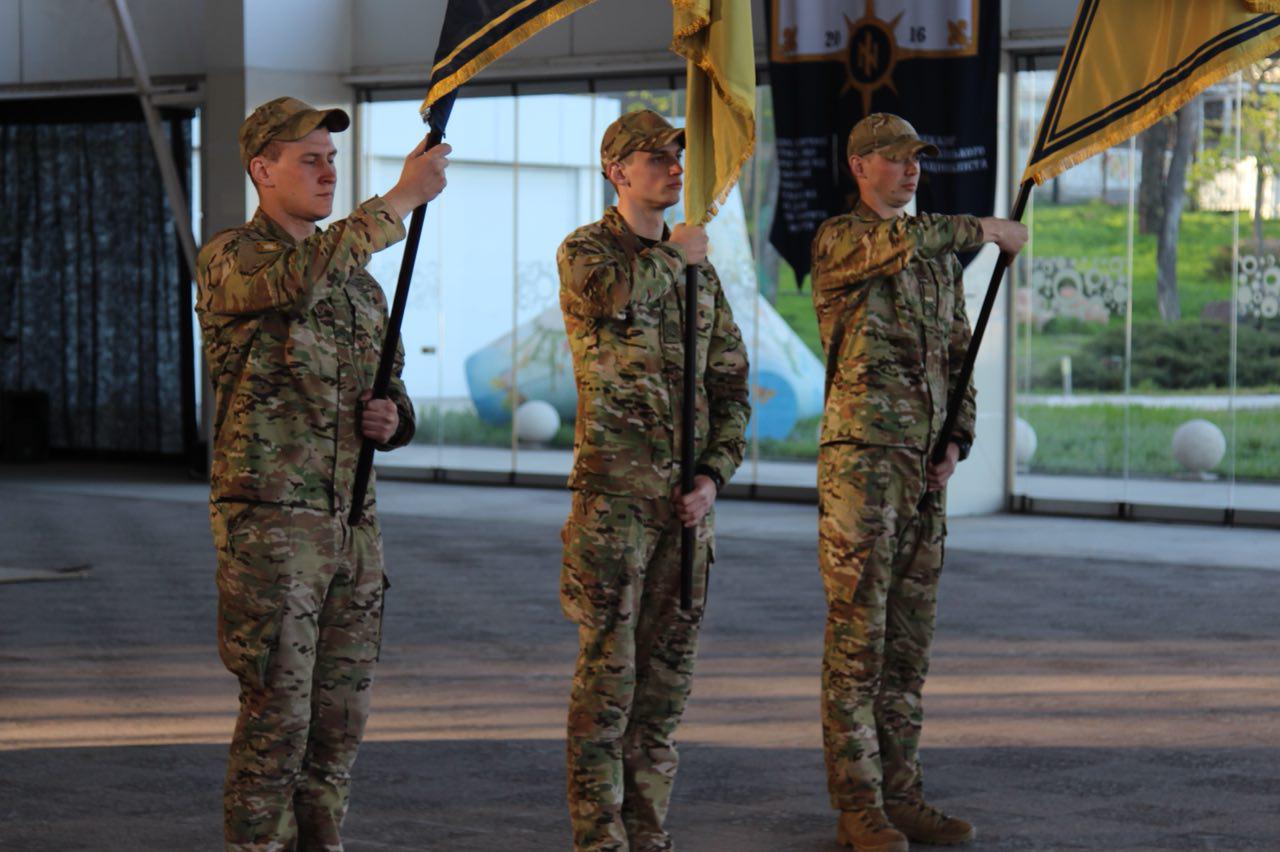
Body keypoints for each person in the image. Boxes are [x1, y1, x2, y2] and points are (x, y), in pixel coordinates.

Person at [195, 95, 450, 851]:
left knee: (340, 720)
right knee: (278, 717)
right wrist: (399, 200)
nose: (327, 171)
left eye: (332, 159)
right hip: (274, 529)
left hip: (352, 528)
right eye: (309, 159)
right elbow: (299, 279)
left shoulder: (360, 285)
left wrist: (394, 419)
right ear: (261, 170)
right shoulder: (234, 259)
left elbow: (390, 387)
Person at [810, 113, 1027, 852]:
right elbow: (906, 241)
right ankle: (858, 806)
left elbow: (958, 351)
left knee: (907, 647)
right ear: (859, 166)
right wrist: (985, 229)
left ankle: (901, 796)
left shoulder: (935, 261)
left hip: (923, 470)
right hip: (863, 466)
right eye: (896, 159)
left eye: (917, 160)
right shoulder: (843, 239)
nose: (911, 170)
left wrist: (956, 438)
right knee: (857, 644)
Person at [556, 109, 751, 851]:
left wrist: (713, 476)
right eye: (656, 157)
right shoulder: (588, 251)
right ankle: (598, 836)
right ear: (617, 171)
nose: (675, 168)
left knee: (665, 689)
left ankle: (648, 830)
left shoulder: (696, 268)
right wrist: (676, 254)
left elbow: (732, 386)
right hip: (614, 507)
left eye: (678, 156)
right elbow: (608, 297)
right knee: (607, 685)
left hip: (684, 512)